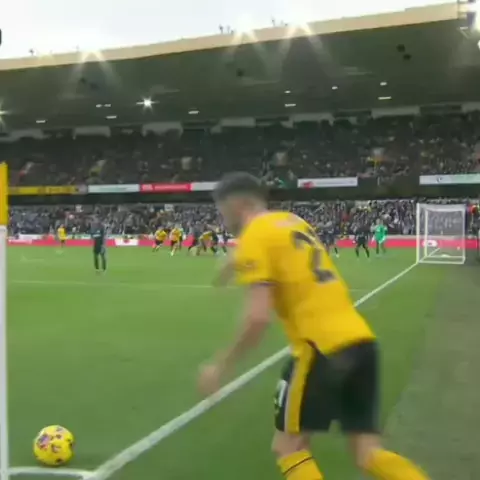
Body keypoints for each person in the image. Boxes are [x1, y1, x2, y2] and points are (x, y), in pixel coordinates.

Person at [198, 172, 429, 480]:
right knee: (368, 454)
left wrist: (221, 364)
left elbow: (257, 317)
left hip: (320, 348)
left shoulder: (255, 233)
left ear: (236, 205)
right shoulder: (293, 222)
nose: (222, 218)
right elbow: (271, 248)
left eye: (221, 210)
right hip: (361, 341)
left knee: (289, 448)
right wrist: (231, 264)